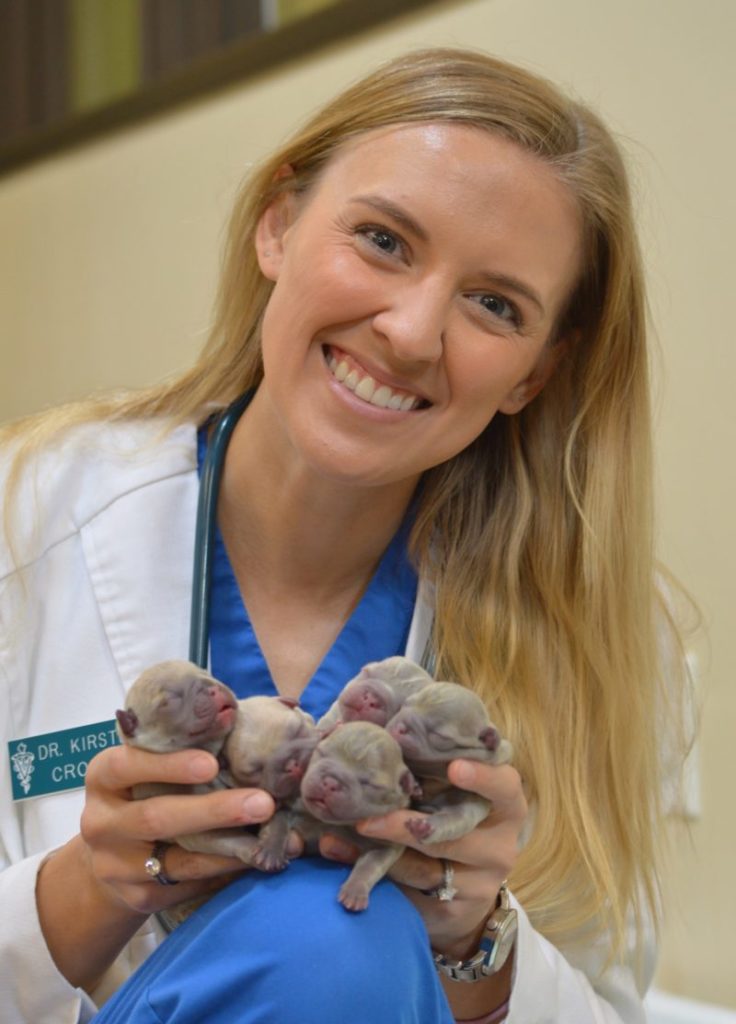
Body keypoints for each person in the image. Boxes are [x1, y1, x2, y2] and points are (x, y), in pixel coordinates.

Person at [0, 47, 690, 1024]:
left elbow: (611, 1006)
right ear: (278, 225)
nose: (411, 331)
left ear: (535, 373)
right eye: (382, 240)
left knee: (332, 939)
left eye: (494, 304)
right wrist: (85, 888)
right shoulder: (23, 515)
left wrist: (473, 942)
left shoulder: (607, 645)